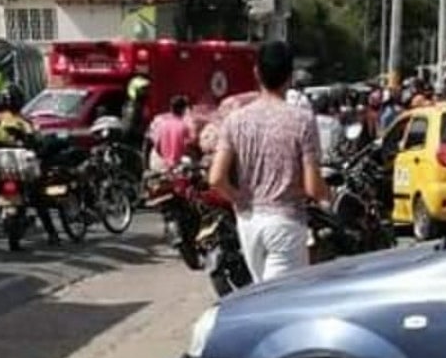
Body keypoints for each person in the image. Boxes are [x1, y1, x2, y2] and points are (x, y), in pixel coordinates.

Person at [209, 41, 329, 283]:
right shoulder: (302, 121)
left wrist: (239, 199)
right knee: (281, 301)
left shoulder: (235, 121)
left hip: (249, 223)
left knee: (262, 292)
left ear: (257, 73)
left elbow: (215, 179)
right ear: (290, 77)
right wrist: (330, 197)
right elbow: (313, 187)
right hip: (286, 224)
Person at [0, 84, 59, 245]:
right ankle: (51, 233)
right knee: (38, 198)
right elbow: (36, 143)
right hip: (21, 172)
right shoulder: (24, 122)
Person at [147, 94, 196, 172]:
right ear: (184, 109)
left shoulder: (160, 121)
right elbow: (190, 144)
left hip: (159, 164)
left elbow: (156, 144)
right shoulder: (184, 126)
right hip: (175, 167)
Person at [313, 93, 343, 163]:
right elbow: (340, 141)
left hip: (314, 160)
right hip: (331, 160)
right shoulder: (335, 122)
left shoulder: (311, 121)